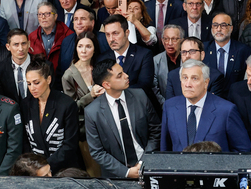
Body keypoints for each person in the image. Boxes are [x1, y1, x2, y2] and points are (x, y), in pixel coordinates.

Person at [84, 59, 161, 178]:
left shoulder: (140, 96)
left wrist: (142, 162)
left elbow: (156, 131)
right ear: (106, 85)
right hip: (116, 175)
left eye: (123, 72)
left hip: (147, 165)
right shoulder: (92, 112)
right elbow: (97, 151)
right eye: (120, 76)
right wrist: (126, 172)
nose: (126, 76)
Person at [160, 59, 251, 152]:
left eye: (194, 78)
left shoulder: (226, 110)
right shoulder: (170, 107)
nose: (188, 84)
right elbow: (164, 149)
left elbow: (242, 150)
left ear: (206, 83)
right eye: (185, 78)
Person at [21, 56, 80, 174]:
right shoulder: (25, 104)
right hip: (36, 168)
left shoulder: (67, 104)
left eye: (36, 82)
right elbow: (25, 141)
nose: (32, 88)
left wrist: (46, 165)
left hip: (65, 168)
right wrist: (35, 166)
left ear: (48, 79)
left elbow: (70, 145)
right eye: (29, 84)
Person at [61, 32, 103, 177]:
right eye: (80, 46)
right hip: (84, 129)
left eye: (88, 46)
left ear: (94, 49)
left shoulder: (100, 68)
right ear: (76, 49)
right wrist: (90, 96)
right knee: (94, 171)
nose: (84, 51)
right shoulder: (68, 75)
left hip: (105, 124)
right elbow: (71, 108)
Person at [204, 12, 251, 91]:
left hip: (235, 98)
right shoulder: (204, 49)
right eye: (215, 25)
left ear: (231, 28)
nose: (218, 29)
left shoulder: (243, 50)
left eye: (223, 25)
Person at [28, 2, 74, 76]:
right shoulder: (32, 37)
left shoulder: (68, 35)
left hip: (63, 78)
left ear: (55, 16)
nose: (43, 17)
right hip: (41, 79)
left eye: (47, 14)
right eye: (40, 14)